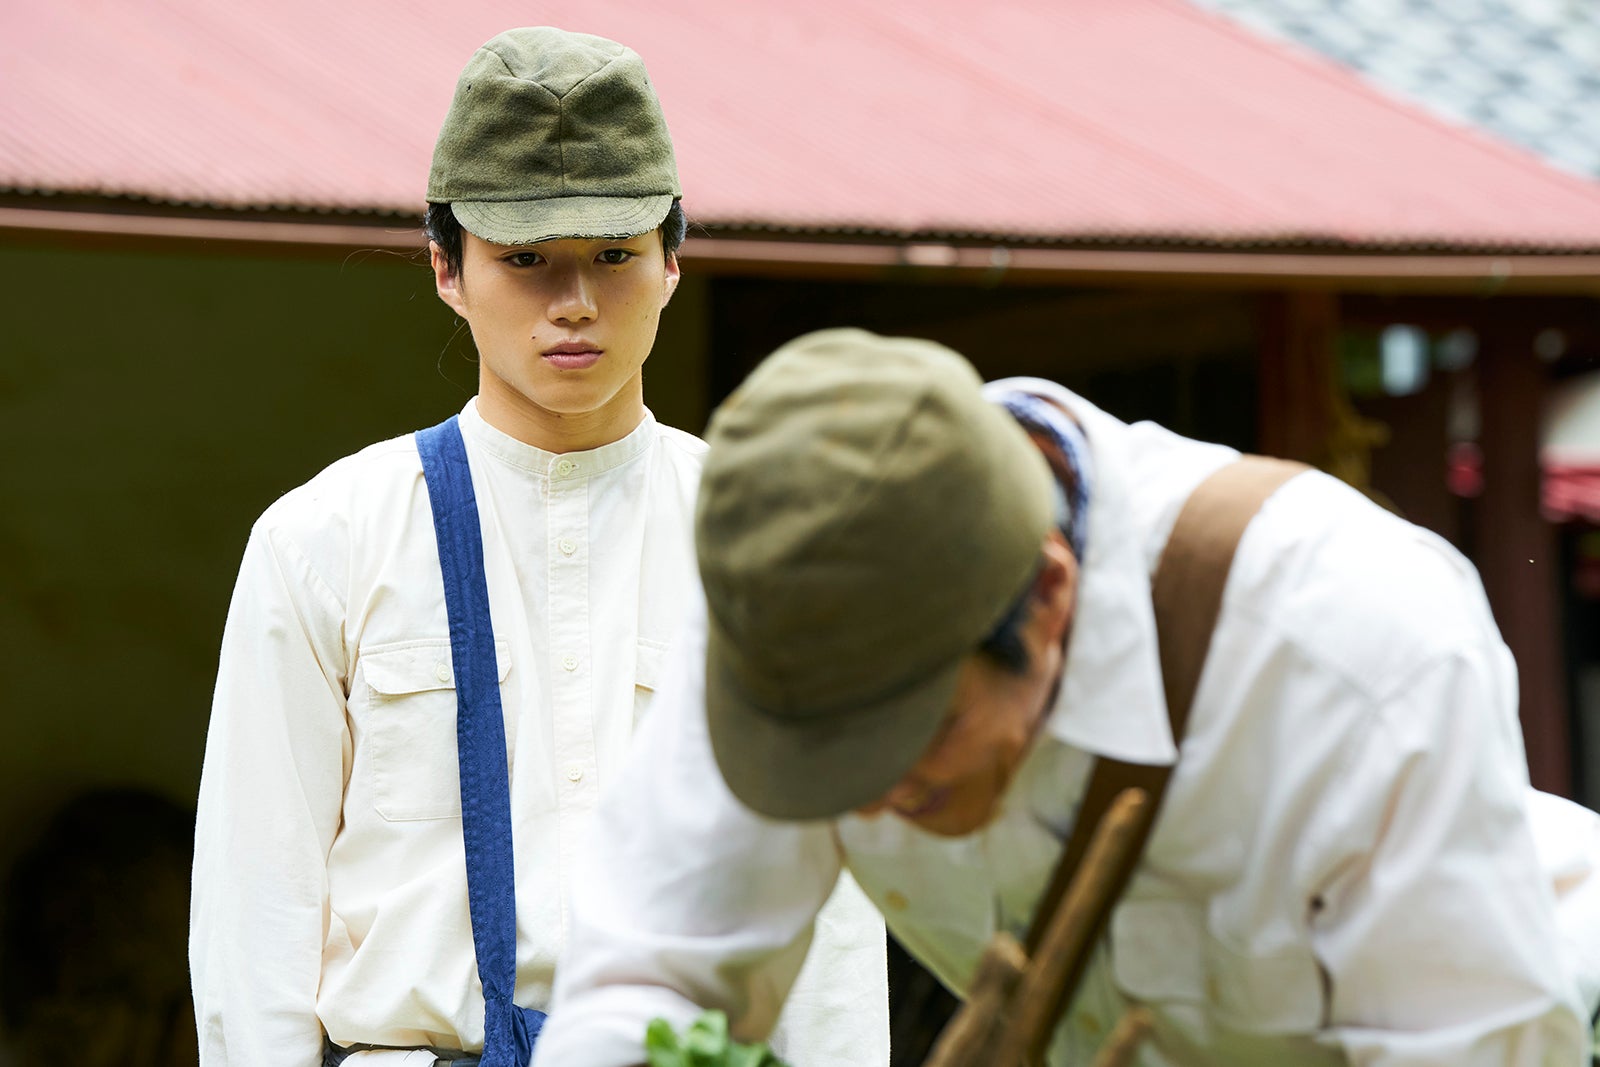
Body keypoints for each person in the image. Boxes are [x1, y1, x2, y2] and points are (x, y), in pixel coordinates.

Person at [535, 327, 1600, 1066]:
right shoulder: (785, 607)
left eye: (913, 734)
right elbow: (647, 981)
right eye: (822, 757)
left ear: (1048, 594)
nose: (863, 795)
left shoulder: (1353, 649)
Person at [188, 31, 888, 1066]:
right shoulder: (325, 540)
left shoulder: (766, 547)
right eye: (525, 258)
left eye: (614, 255)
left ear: (672, 260)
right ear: (447, 267)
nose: (575, 302)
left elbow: (830, 923)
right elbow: (256, 914)